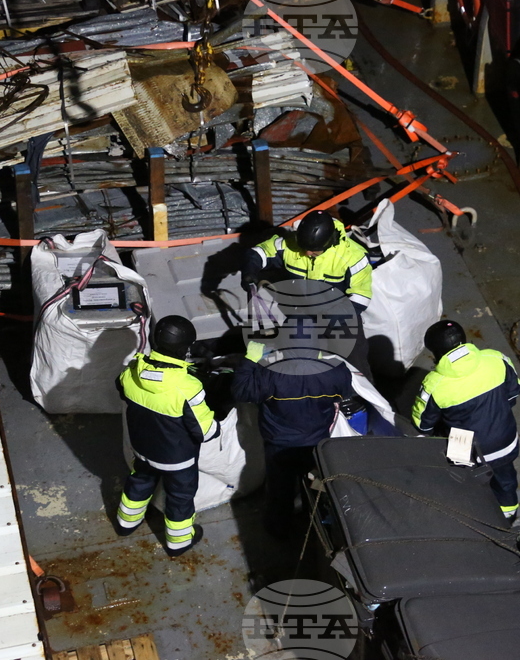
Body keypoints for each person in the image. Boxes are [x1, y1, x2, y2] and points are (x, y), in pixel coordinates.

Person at [116, 315, 218, 556]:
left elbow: (121, 389)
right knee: (180, 497)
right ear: (186, 348)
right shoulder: (187, 387)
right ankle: (178, 542)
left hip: (142, 448)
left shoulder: (131, 372)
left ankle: (125, 523)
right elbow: (205, 431)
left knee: (140, 480)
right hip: (177, 459)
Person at [232, 339, 354, 539]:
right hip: (316, 441)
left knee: (280, 490)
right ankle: (315, 527)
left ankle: (279, 529)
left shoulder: (270, 372)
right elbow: (345, 393)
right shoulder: (335, 369)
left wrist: (250, 360)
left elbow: (242, 391)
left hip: (280, 444)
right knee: (315, 485)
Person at [412, 320, 520, 523]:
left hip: (463, 446)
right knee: (505, 482)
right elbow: (513, 393)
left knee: (462, 481)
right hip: (503, 440)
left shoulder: (434, 384)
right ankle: (507, 519)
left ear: (435, 352)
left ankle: (469, 517)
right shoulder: (496, 359)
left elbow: (423, 424)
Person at [241, 211, 373, 377]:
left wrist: (329, 318)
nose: (307, 253)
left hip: (338, 316)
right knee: (294, 356)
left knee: (355, 357)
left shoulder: (353, 257)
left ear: (329, 242)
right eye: (304, 248)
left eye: (313, 251)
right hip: (301, 311)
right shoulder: (291, 245)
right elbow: (260, 252)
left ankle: (362, 397)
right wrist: (249, 272)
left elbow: (361, 297)